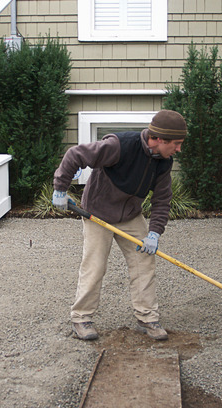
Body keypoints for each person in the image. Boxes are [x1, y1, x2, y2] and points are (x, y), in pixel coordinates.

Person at [52, 110, 186, 341]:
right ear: (160, 139)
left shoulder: (164, 162)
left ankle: (147, 317)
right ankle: (81, 318)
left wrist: (154, 233)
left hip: (130, 216)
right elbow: (76, 154)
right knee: (94, 266)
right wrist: (60, 188)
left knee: (144, 262)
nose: (178, 149)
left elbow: (162, 200)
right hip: (98, 212)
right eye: (176, 144)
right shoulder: (119, 145)